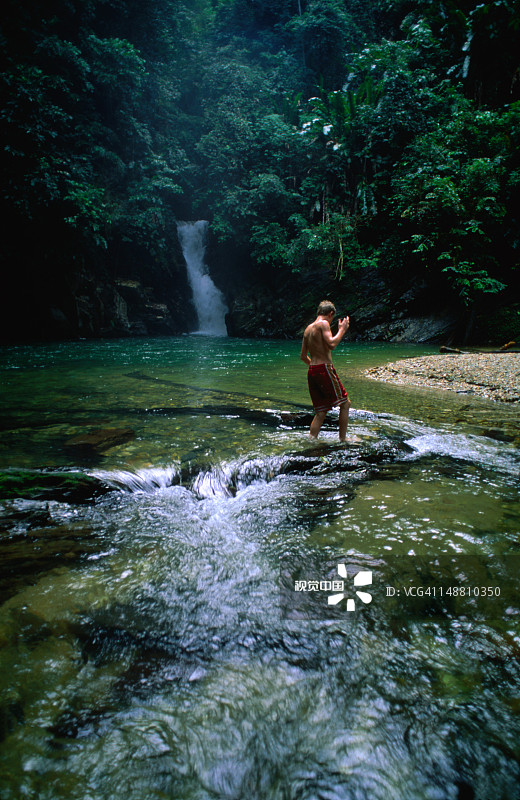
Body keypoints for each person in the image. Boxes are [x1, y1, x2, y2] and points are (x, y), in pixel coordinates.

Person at [300, 300, 351, 440]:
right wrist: (342, 329)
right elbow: (332, 344)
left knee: (321, 411)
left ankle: (311, 440)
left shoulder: (308, 329)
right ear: (330, 314)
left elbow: (303, 356)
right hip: (324, 369)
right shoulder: (323, 323)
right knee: (345, 403)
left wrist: (315, 368)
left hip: (312, 371)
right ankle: (343, 440)